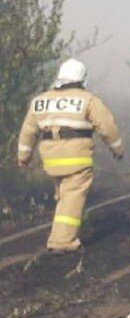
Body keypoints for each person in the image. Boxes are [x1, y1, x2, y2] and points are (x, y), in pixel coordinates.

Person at [16, 58, 124, 254]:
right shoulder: (88, 100)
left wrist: (23, 156)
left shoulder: (40, 101)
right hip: (77, 159)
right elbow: (107, 127)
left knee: (66, 195)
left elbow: (28, 132)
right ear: (83, 79)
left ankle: (82, 228)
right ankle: (62, 242)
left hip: (50, 159)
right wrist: (117, 150)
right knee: (72, 197)